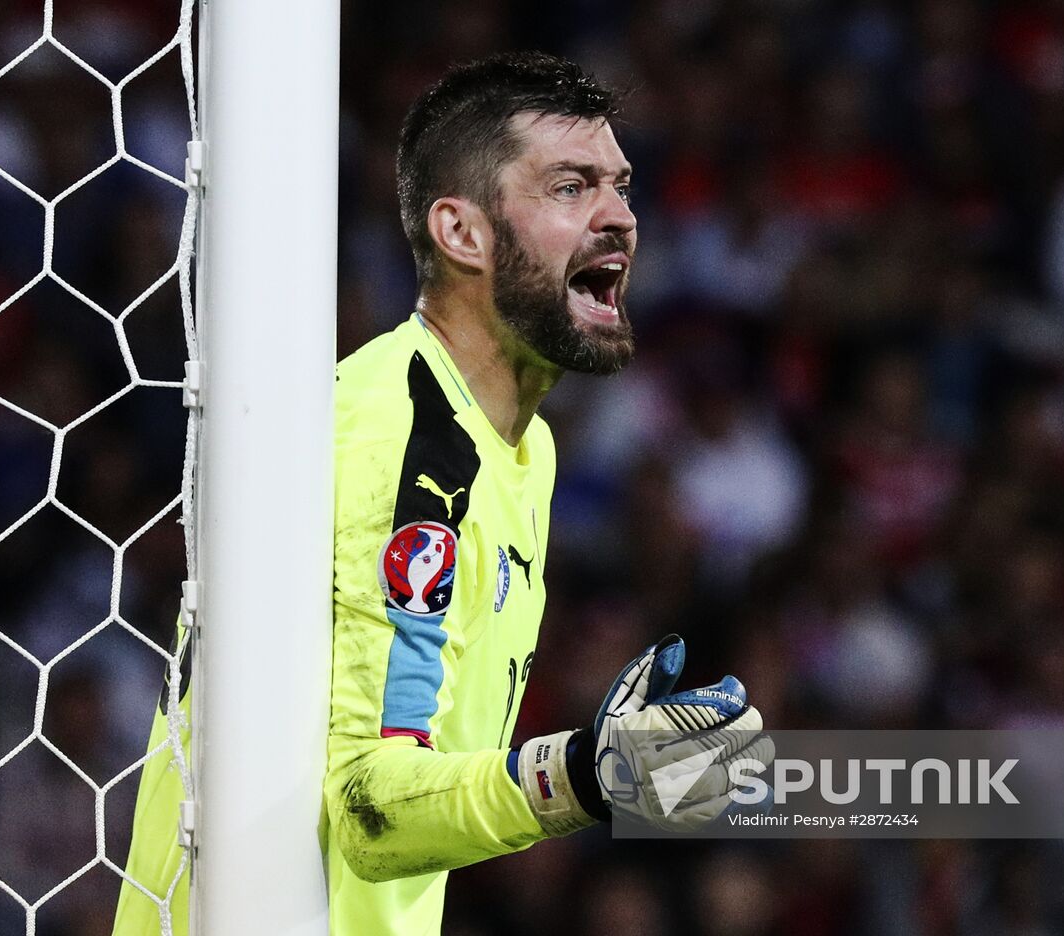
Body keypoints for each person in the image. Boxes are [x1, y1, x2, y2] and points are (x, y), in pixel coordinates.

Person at [113, 51, 763, 936]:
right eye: (571, 187)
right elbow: (367, 801)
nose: (619, 218)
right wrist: (580, 773)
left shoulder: (518, 445)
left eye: (620, 186)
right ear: (463, 234)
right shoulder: (407, 449)